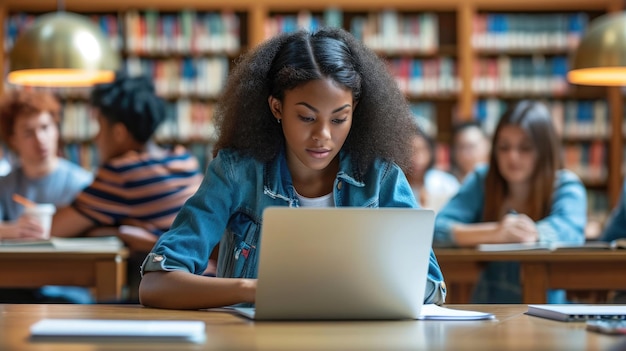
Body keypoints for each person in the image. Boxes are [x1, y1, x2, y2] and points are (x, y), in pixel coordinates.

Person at [139, 27, 447, 310]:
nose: (323, 136)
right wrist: (254, 289)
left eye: (339, 119)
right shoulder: (236, 173)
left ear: (355, 112)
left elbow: (432, 287)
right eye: (307, 117)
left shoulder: (380, 178)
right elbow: (156, 284)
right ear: (277, 108)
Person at [45, 74, 204, 301]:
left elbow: (53, 230)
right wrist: (117, 231)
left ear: (119, 133)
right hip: (206, 277)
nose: (96, 138)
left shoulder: (122, 173)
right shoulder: (182, 157)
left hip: (176, 286)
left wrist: (114, 231)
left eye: (99, 127)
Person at [434, 100, 587, 303]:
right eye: (504, 147)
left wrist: (531, 233)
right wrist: (496, 232)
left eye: (525, 148)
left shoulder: (566, 185)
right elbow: (435, 230)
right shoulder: (483, 179)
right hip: (488, 309)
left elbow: (570, 232)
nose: (512, 157)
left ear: (544, 151)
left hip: (547, 308)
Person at [0, 90, 94, 303]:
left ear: (56, 129)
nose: (40, 139)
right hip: (13, 286)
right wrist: (14, 230)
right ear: (13, 140)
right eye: (28, 132)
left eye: (45, 127)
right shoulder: (4, 186)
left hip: (68, 288)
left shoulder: (82, 183)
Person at [405, 126, 459, 212]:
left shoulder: (446, 182)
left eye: (421, 150)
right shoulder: (397, 184)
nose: (417, 158)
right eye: (410, 151)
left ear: (430, 151)